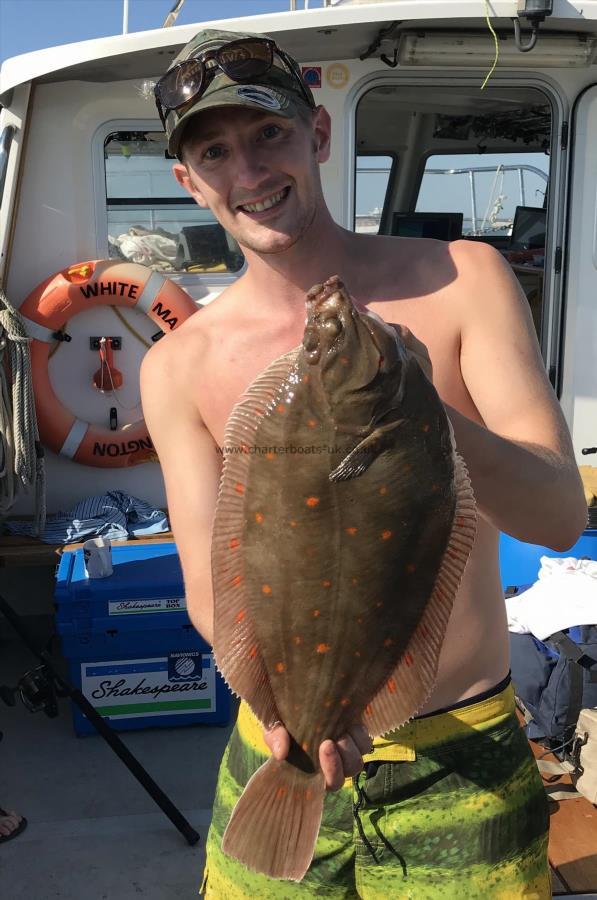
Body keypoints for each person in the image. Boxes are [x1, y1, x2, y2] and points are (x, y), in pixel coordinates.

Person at [142, 28, 587, 898]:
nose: (250, 171)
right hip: (277, 742)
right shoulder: (177, 366)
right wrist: (284, 717)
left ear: (316, 134)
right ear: (188, 181)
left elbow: (558, 515)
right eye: (215, 151)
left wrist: (421, 418)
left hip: (461, 751)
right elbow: (208, 589)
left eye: (268, 134)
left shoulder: (464, 279)